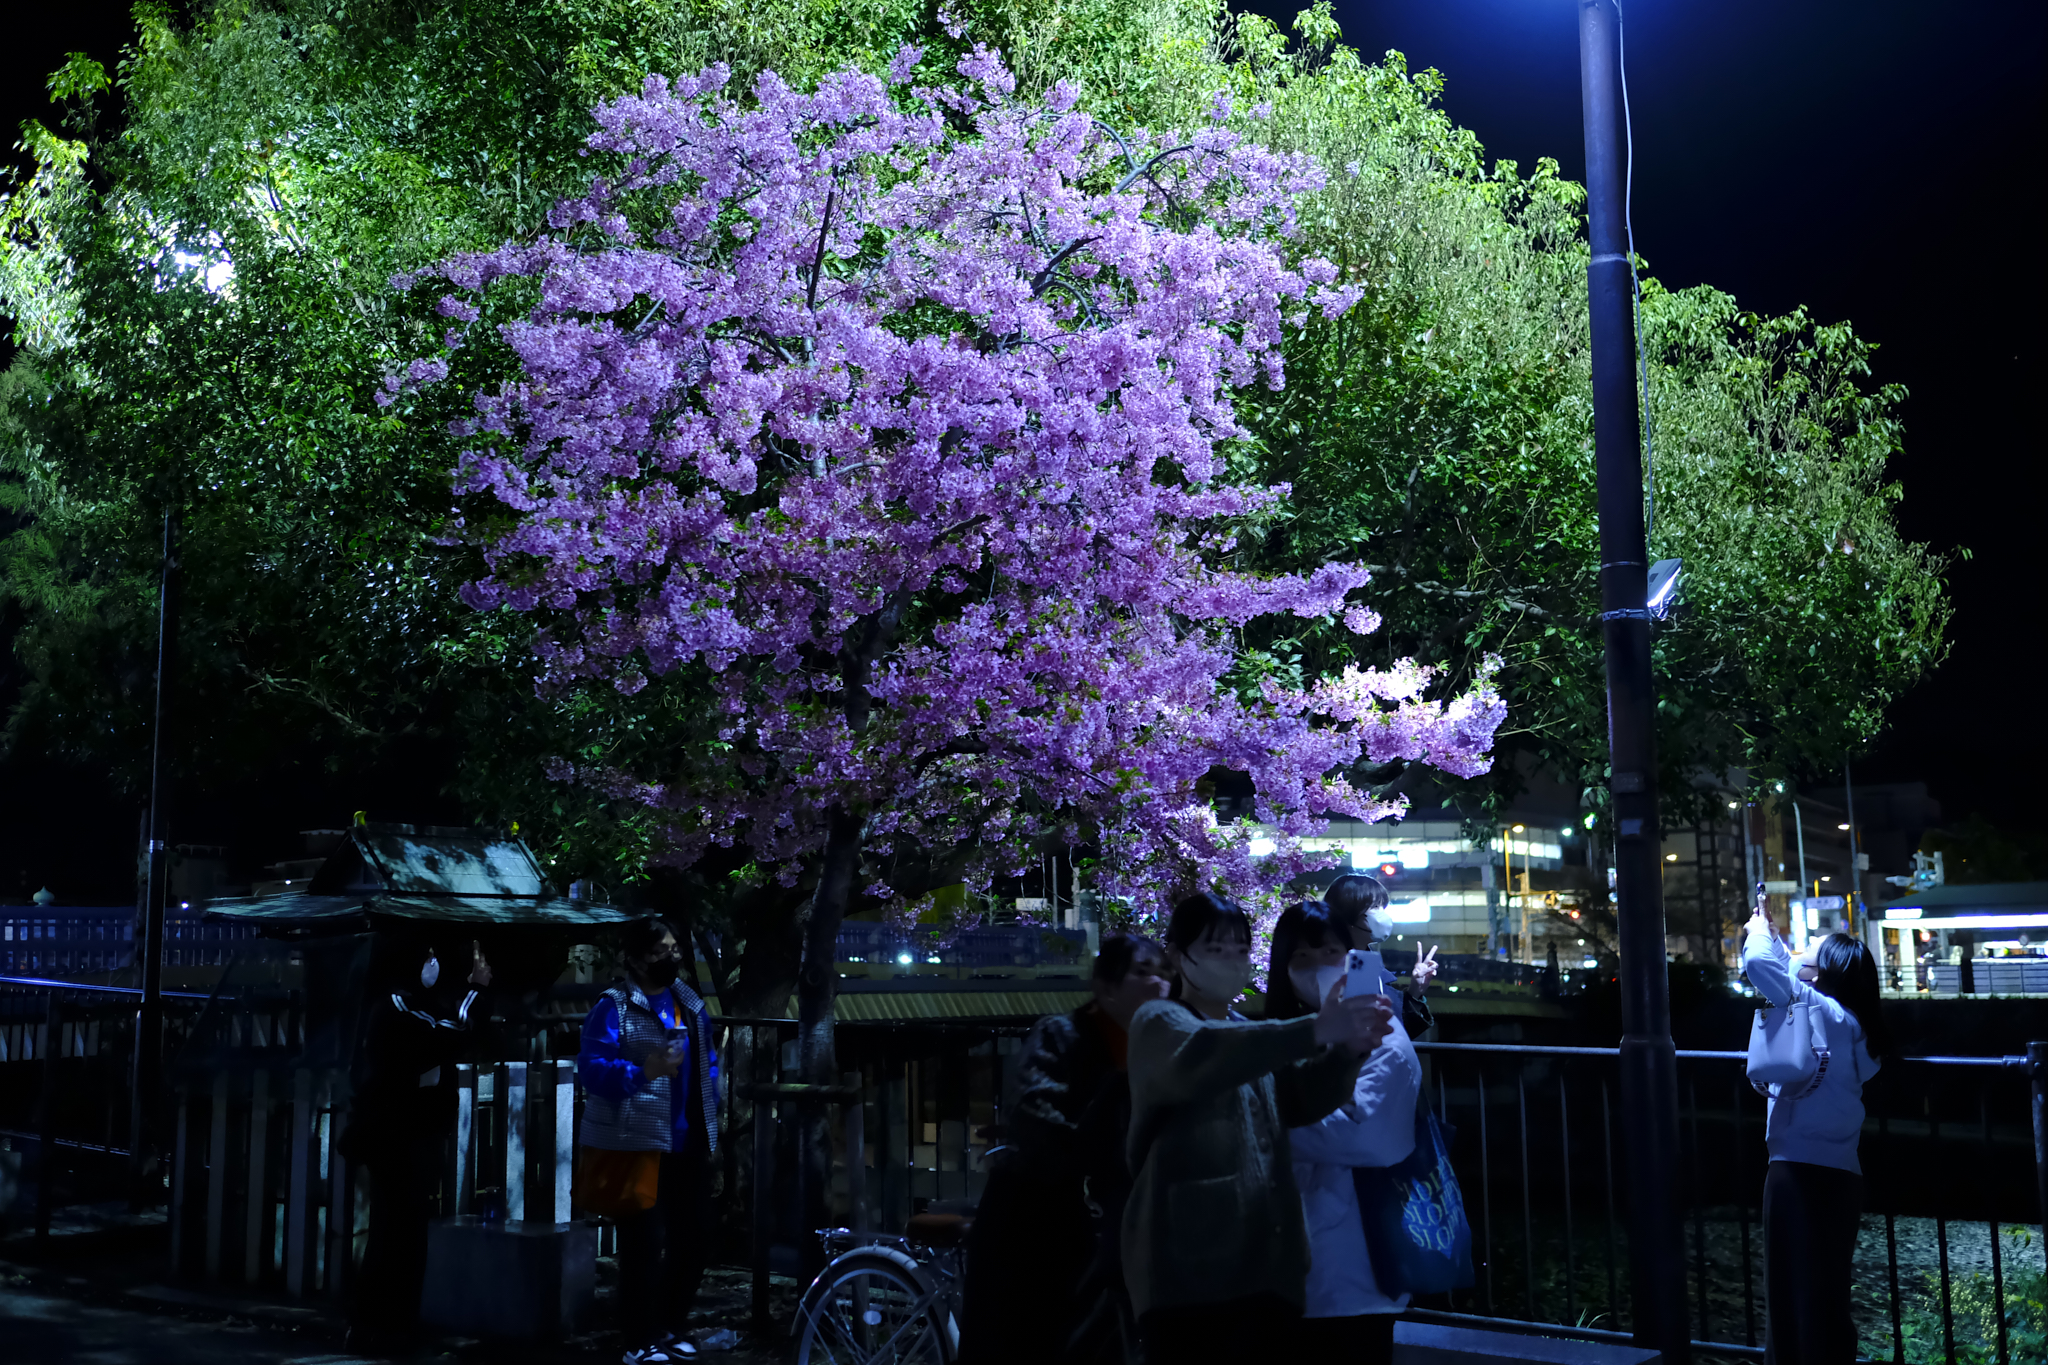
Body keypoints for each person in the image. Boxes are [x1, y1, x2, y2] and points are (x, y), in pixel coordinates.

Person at [1122, 892, 1394, 1360]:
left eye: (1240, 950)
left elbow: (1298, 1098)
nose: (1231, 961)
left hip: (1266, 1270)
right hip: (1191, 1275)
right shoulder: (1160, 1022)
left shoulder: (1243, 1029)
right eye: (1214, 949)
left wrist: (1348, 1051)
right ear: (1175, 954)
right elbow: (1204, 1053)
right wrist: (1316, 1030)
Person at [959, 933, 1170, 1364]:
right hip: (1034, 1220)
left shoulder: (1155, 1047)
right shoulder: (1061, 1033)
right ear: (1107, 985)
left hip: (1107, 1220)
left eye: (1164, 974)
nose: (1159, 985)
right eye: (1143, 973)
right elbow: (1036, 1115)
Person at [1268, 900, 1424, 1362]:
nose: (1319, 968)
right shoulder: (1290, 1032)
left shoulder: (1384, 1036)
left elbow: (1368, 1137)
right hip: (1293, 1266)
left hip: (1355, 1262)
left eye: (1331, 953)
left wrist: (1262, 1125)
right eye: (1301, 958)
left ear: (1353, 958)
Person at [1742, 901, 1890, 1365]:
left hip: (1795, 1174)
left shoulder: (1820, 1011)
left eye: (1811, 950)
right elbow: (1784, 965)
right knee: (1825, 1301)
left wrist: (1758, 929)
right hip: (1843, 1176)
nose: (1799, 955)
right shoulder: (1855, 1029)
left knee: (1788, 1303)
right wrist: (1775, 933)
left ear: (1821, 974)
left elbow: (1759, 963)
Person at [578, 917, 720, 1365]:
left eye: (675, 947)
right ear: (636, 960)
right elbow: (593, 1068)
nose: (673, 956)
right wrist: (643, 1071)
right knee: (643, 1244)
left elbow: (709, 1062)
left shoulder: (690, 1003)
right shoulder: (614, 1006)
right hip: (637, 1140)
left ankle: (669, 1327)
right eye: (662, 951)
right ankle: (637, 1340)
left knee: (694, 1238)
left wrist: (713, 1101)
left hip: (688, 1138)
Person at [347, 933, 491, 1354]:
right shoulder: (398, 1004)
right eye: (427, 955)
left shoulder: (403, 1003)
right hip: (399, 1134)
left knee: (401, 1230)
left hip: (410, 1133)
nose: (433, 963)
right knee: (397, 1232)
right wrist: (476, 989)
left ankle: (389, 1324)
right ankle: (381, 1325)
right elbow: (450, 1033)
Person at [1324, 873, 1439, 1038]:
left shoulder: (1366, 964)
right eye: (1375, 908)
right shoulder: (1335, 968)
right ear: (1347, 914)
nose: (1383, 915)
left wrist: (1415, 991)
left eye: (1383, 908)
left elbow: (1393, 1029)